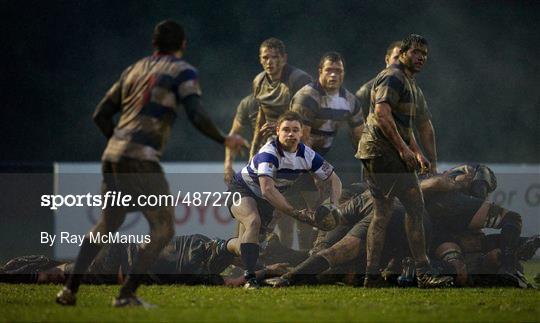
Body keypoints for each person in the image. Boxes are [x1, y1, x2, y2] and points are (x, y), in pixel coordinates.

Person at [56, 20, 245, 307]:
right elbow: (195, 113)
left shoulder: (133, 70)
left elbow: (100, 115)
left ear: (154, 44)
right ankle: (126, 294)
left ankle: (69, 290)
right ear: (183, 44)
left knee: (107, 224)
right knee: (164, 230)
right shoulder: (183, 71)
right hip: (141, 159)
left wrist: (118, 145)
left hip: (112, 156)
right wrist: (224, 139)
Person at [355, 34, 451, 288]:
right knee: (415, 205)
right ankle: (423, 272)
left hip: (374, 153)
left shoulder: (409, 83)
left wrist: (419, 152)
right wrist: (404, 151)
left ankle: (371, 276)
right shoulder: (393, 76)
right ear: (403, 54)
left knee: (382, 212)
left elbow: (409, 125)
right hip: (383, 153)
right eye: (416, 52)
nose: (421, 57)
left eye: (425, 54)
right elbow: (382, 114)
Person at [226, 111, 342, 289]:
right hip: (243, 189)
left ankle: (220, 249)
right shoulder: (269, 153)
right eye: (286, 129)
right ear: (277, 131)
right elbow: (267, 190)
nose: (291, 134)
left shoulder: (307, 155)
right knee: (253, 221)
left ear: (302, 133)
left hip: (266, 199)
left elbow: (334, 180)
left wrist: (334, 205)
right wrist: (297, 214)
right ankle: (250, 279)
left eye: (295, 130)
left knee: (246, 248)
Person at [249, 38, 312, 247]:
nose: (270, 62)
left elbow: (305, 119)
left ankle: (306, 258)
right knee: (272, 204)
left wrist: (280, 125)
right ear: (259, 60)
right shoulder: (259, 81)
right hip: (275, 148)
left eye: (275, 57)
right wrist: (253, 150)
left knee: (304, 204)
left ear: (284, 59)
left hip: (302, 144)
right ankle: (268, 254)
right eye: (265, 57)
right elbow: (261, 115)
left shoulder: (298, 80)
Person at [356, 41, 437, 174]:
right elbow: (361, 122)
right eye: (396, 58)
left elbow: (414, 126)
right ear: (387, 60)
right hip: (377, 150)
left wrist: (420, 154)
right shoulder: (368, 89)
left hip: (398, 153)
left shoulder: (413, 90)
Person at [224, 95, 258, 185]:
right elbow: (234, 135)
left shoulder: (290, 98)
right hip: (257, 165)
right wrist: (228, 166)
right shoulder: (249, 103)